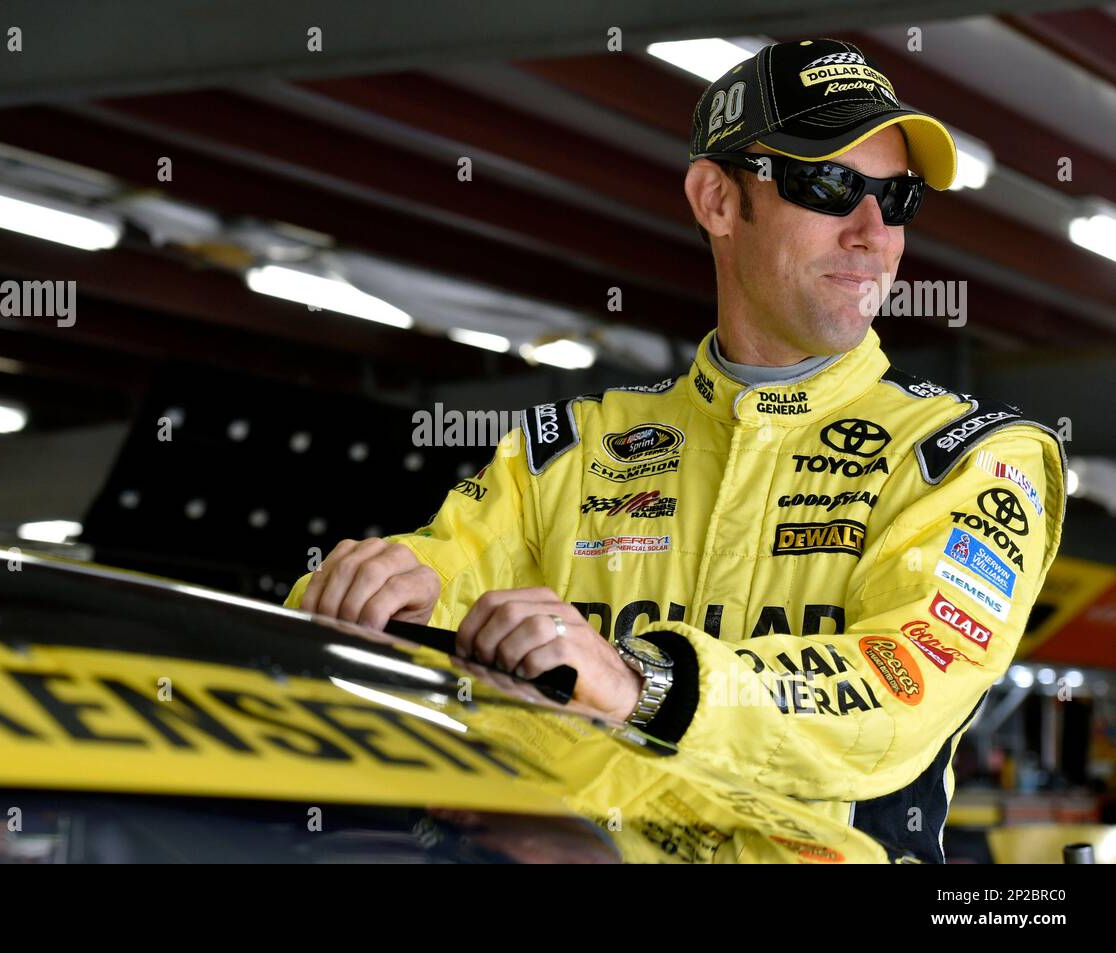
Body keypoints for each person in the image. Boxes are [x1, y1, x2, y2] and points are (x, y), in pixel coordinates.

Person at [285, 38, 1066, 862]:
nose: (874, 232)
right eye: (830, 184)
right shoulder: (570, 450)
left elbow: (904, 684)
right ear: (717, 200)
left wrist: (643, 684)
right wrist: (361, 589)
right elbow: (432, 587)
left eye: (898, 196)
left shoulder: (970, 457)